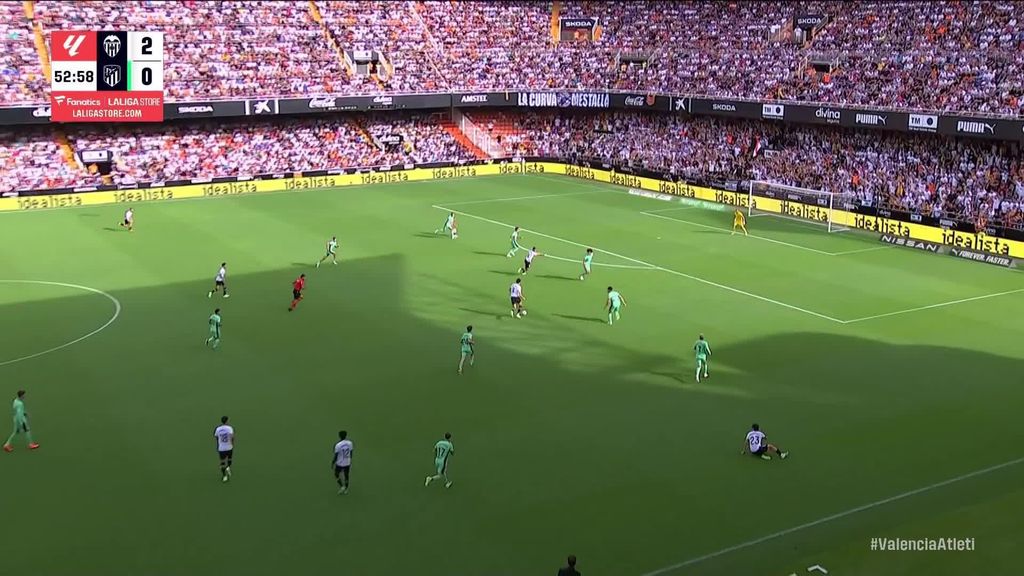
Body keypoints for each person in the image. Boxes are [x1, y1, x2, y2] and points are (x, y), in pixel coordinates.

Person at [214, 416, 234, 482]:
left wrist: (218, 446)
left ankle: (224, 476)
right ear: (227, 421)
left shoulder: (218, 429)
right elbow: (232, 437)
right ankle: (228, 467)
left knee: (222, 462)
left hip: (221, 448)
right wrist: (232, 444)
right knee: (229, 460)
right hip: (229, 447)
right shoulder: (229, 428)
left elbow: (216, 437)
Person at [333, 430, 353, 495]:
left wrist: (333, 462)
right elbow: (351, 452)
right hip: (347, 462)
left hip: (340, 463)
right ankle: (346, 489)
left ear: (339, 436)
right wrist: (350, 460)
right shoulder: (350, 443)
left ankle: (342, 486)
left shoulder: (338, 445)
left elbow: (336, 455)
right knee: (346, 475)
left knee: (336, 474)